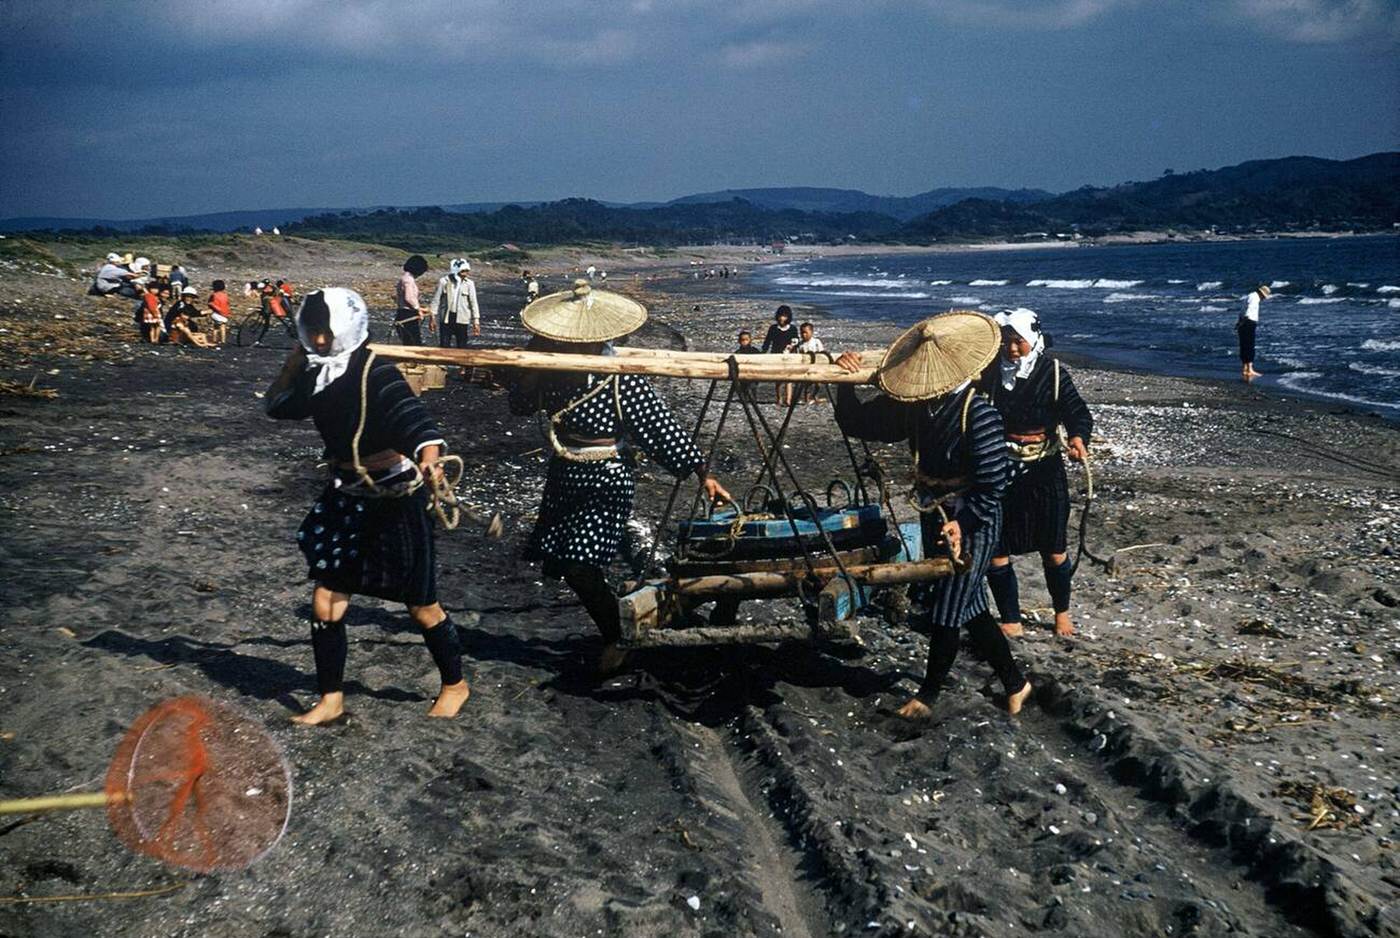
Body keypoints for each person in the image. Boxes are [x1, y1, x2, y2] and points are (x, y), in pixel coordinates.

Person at [264, 287, 468, 725]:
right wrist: (290, 366)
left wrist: (431, 462)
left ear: (347, 326)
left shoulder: (378, 372)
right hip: (347, 494)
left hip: (394, 498)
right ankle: (331, 699)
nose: (319, 341)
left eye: (327, 332)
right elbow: (278, 408)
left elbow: (418, 424)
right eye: (313, 333)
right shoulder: (317, 372)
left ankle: (455, 684)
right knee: (326, 600)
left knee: (421, 605)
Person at [509, 280, 732, 675]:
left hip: (606, 474)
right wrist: (532, 358)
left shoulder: (620, 377)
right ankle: (622, 625)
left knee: (580, 564)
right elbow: (521, 406)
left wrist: (702, 473)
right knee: (562, 562)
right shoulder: (556, 368)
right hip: (566, 472)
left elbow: (659, 427)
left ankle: (617, 636)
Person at [833, 312, 1031, 720]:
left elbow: (994, 484)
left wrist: (966, 521)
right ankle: (1016, 682)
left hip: (973, 520)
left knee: (946, 605)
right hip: (937, 513)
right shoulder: (918, 409)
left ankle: (928, 694)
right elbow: (859, 423)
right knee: (970, 606)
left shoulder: (979, 415)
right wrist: (843, 380)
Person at [978, 309, 1093, 639]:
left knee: (1054, 547)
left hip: (1045, 470)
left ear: (1032, 340)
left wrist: (1077, 438)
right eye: (1006, 343)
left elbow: (1078, 412)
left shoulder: (1053, 373)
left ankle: (1061, 614)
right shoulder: (989, 374)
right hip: (1001, 467)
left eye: (1018, 342)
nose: (1012, 350)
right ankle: (1011, 619)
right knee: (997, 547)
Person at [430, 258, 480, 350]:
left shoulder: (469, 284)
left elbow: (473, 302)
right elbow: (436, 300)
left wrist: (476, 321)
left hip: (462, 318)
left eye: (467, 271)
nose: (466, 273)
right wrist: (432, 317)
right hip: (446, 318)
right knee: (444, 345)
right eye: (463, 271)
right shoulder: (444, 281)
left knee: (462, 346)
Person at [761, 305, 799, 407]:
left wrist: (792, 347)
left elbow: (796, 341)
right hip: (776, 355)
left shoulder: (793, 329)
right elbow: (767, 342)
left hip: (789, 356)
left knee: (789, 378)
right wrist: (762, 353)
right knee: (778, 378)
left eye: (785, 316)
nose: (782, 318)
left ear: (788, 317)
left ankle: (788, 400)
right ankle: (779, 399)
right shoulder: (773, 328)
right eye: (781, 316)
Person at [395, 255, 432, 346]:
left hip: (404, 312)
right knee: (413, 341)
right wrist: (418, 308)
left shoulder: (405, 278)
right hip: (407, 313)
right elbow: (409, 298)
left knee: (409, 340)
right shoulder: (408, 280)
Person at [1237, 284, 1270, 381]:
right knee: (1250, 346)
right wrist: (1245, 321)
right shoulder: (1255, 298)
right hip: (1249, 322)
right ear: (1261, 294)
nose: (1264, 298)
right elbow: (1249, 310)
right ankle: (1250, 369)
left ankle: (1245, 368)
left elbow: (1242, 310)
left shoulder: (1250, 296)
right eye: (1264, 296)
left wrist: (1239, 322)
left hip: (1243, 322)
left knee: (1244, 345)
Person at [795, 322, 826, 403]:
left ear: (811, 332)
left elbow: (822, 352)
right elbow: (799, 355)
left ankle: (815, 395)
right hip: (806, 366)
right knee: (807, 384)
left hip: (817, 365)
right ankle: (807, 398)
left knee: (818, 383)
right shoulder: (801, 344)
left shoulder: (816, 342)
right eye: (802, 333)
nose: (804, 335)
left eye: (806, 332)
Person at [207, 279, 231, 344]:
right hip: (224, 314)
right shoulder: (225, 295)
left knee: (216, 327)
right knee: (223, 326)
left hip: (217, 313)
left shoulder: (214, 295)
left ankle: (214, 340)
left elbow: (210, 303)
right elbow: (227, 304)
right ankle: (223, 340)